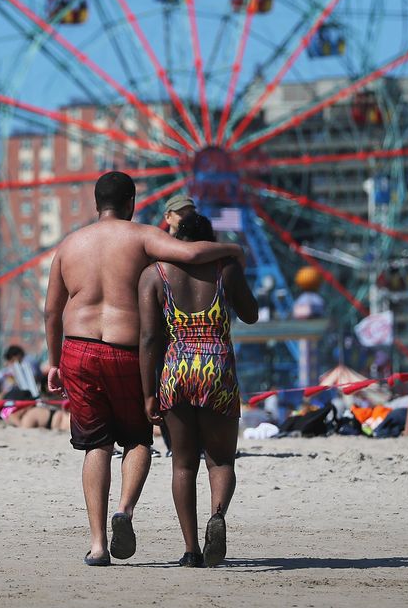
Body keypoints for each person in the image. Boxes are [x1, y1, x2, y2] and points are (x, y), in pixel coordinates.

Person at [45, 171, 242, 566]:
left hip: (78, 349)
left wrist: (53, 362)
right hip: (125, 349)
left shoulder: (69, 245)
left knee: (94, 445)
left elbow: (51, 310)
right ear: (132, 202)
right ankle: (125, 510)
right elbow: (188, 255)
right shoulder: (141, 236)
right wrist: (232, 251)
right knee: (137, 439)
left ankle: (98, 545)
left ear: (95, 203)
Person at [138, 211, 258, 567]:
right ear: (209, 241)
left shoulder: (153, 275)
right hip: (217, 368)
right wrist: (238, 269)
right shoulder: (225, 269)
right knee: (220, 459)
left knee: (183, 464)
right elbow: (250, 314)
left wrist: (148, 392)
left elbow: (148, 338)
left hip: (176, 370)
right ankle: (217, 516)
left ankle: (191, 550)